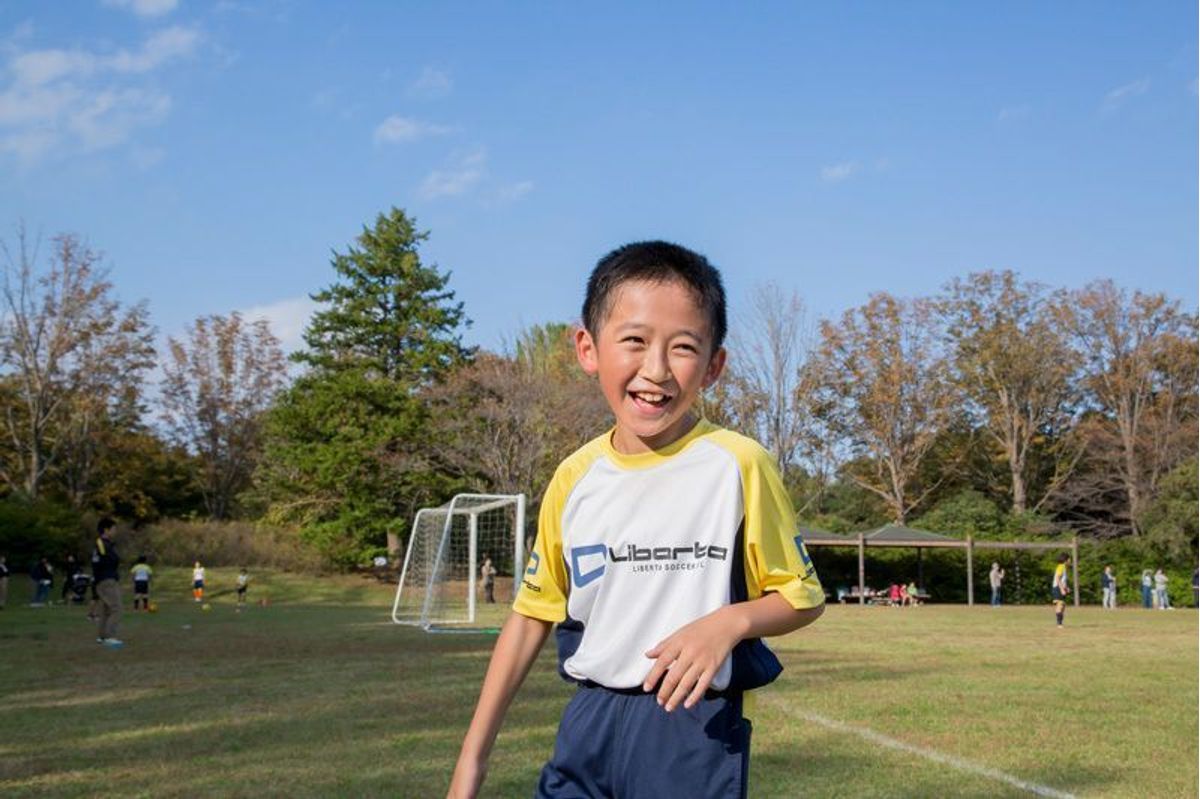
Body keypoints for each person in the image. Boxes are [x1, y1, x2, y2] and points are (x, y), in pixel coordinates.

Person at [448, 241, 826, 799]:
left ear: (714, 365)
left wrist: (727, 624)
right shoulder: (575, 477)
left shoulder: (738, 464)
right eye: (634, 341)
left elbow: (802, 595)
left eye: (683, 348)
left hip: (690, 727)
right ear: (587, 347)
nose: (656, 370)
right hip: (588, 725)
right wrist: (470, 765)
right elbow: (531, 617)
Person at [91, 517, 123, 647]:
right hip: (107, 580)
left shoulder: (105, 544)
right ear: (106, 530)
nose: (115, 531)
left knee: (106, 610)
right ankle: (110, 636)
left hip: (104, 580)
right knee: (117, 608)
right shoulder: (102, 544)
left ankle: (102, 636)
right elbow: (103, 562)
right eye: (113, 529)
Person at [1051, 552, 1070, 629]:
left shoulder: (1064, 567)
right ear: (1065, 560)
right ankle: (1059, 624)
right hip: (1057, 588)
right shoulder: (1061, 567)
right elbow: (1058, 578)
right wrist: (1062, 589)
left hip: (1060, 587)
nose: (1070, 561)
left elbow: (1062, 580)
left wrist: (1066, 588)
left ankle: (1060, 623)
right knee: (1060, 604)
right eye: (1069, 559)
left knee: (1063, 606)